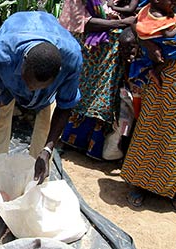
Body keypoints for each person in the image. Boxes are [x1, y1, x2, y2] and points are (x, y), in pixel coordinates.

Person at [0, 11, 83, 184]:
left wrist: (47, 150)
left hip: (46, 90)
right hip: (10, 76)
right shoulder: (1, 56)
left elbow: (65, 106)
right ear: (23, 62)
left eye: (40, 86)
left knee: (45, 128)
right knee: (0, 122)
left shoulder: (71, 60)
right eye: (28, 81)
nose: (30, 90)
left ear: (58, 74)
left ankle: (36, 178)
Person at [120, 0, 176, 214]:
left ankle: (175, 191)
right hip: (165, 75)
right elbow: (140, 20)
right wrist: (149, 46)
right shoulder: (167, 7)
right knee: (151, 130)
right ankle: (139, 184)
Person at [59, 0, 136, 160]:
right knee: (81, 96)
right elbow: (83, 23)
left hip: (110, 56)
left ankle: (94, 146)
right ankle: (72, 139)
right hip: (88, 51)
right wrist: (120, 22)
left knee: (104, 100)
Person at [133, 0, 176, 86]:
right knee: (174, 52)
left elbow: (135, 23)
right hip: (160, 45)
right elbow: (169, 35)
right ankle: (155, 71)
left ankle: (155, 71)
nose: (174, 3)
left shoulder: (147, 10)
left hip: (151, 44)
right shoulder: (161, 19)